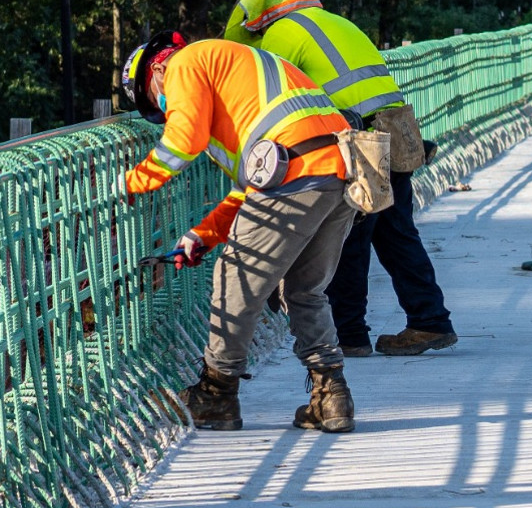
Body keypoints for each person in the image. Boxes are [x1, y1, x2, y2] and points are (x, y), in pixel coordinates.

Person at [121, 30, 357, 434]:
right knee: (302, 290)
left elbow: (183, 142)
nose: (165, 107)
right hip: (339, 171)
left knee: (234, 278)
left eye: (156, 98)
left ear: (156, 68)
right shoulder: (236, 75)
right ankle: (332, 396)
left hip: (295, 172)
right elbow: (249, 190)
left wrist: (130, 183)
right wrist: (202, 236)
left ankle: (216, 395)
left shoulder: (184, 62)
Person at [227, 0, 457, 359]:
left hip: (358, 139)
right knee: (395, 231)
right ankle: (429, 320)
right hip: (396, 131)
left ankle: (350, 335)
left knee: (350, 238)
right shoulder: (338, 22)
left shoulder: (282, 33)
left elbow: (271, 97)